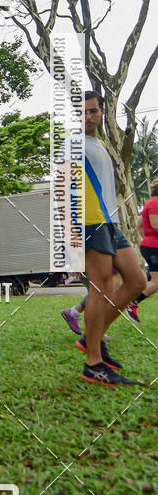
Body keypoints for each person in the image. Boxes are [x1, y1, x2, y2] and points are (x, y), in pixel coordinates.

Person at [66, 91, 146, 385]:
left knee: (137, 281)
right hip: (89, 224)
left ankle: (91, 339)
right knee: (100, 289)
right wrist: (70, 236)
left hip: (110, 223)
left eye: (92, 111)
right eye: (82, 112)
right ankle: (93, 364)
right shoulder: (72, 144)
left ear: (102, 112)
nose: (87, 117)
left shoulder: (98, 143)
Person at [126, 184, 158, 321]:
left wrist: (146, 238)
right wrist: (150, 239)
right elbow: (156, 225)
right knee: (156, 282)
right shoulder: (154, 203)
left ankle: (131, 302)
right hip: (153, 247)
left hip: (150, 245)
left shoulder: (150, 203)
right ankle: (131, 303)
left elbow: (140, 223)